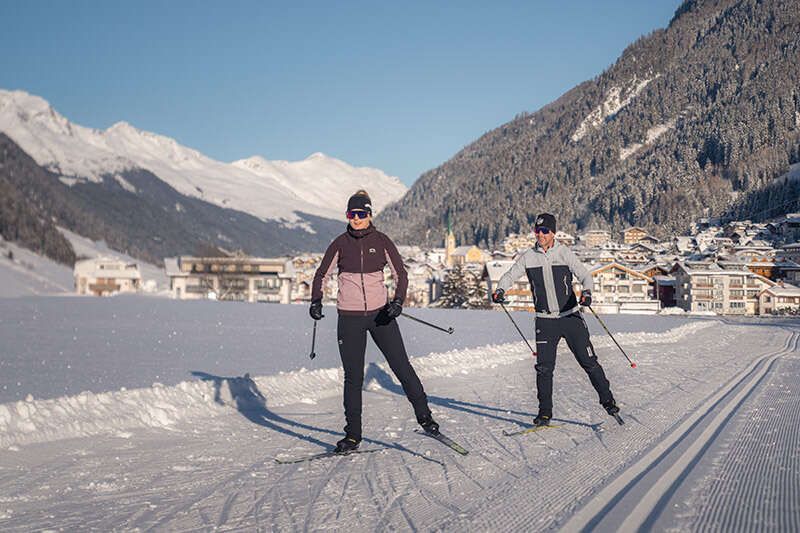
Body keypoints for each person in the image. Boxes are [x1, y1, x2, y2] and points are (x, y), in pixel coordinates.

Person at [310, 190, 439, 453]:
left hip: (381, 315)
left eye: (360, 214)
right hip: (349, 318)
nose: (356, 219)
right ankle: (353, 436)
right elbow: (321, 274)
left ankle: (425, 417)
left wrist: (398, 302)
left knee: (402, 367)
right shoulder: (339, 244)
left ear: (369, 215)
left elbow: (400, 274)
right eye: (351, 214)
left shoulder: (381, 241)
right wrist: (316, 300)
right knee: (353, 378)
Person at [490, 213, 619, 426]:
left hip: (570, 318)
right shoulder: (528, 257)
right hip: (545, 321)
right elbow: (511, 274)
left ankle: (608, 401)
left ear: (553, 233)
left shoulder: (564, 253)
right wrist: (500, 289)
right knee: (544, 368)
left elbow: (585, 276)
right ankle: (545, 413)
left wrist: (587, 293)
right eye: (537, 231)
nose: (540, 235)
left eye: (544, 231)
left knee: (588, 362)